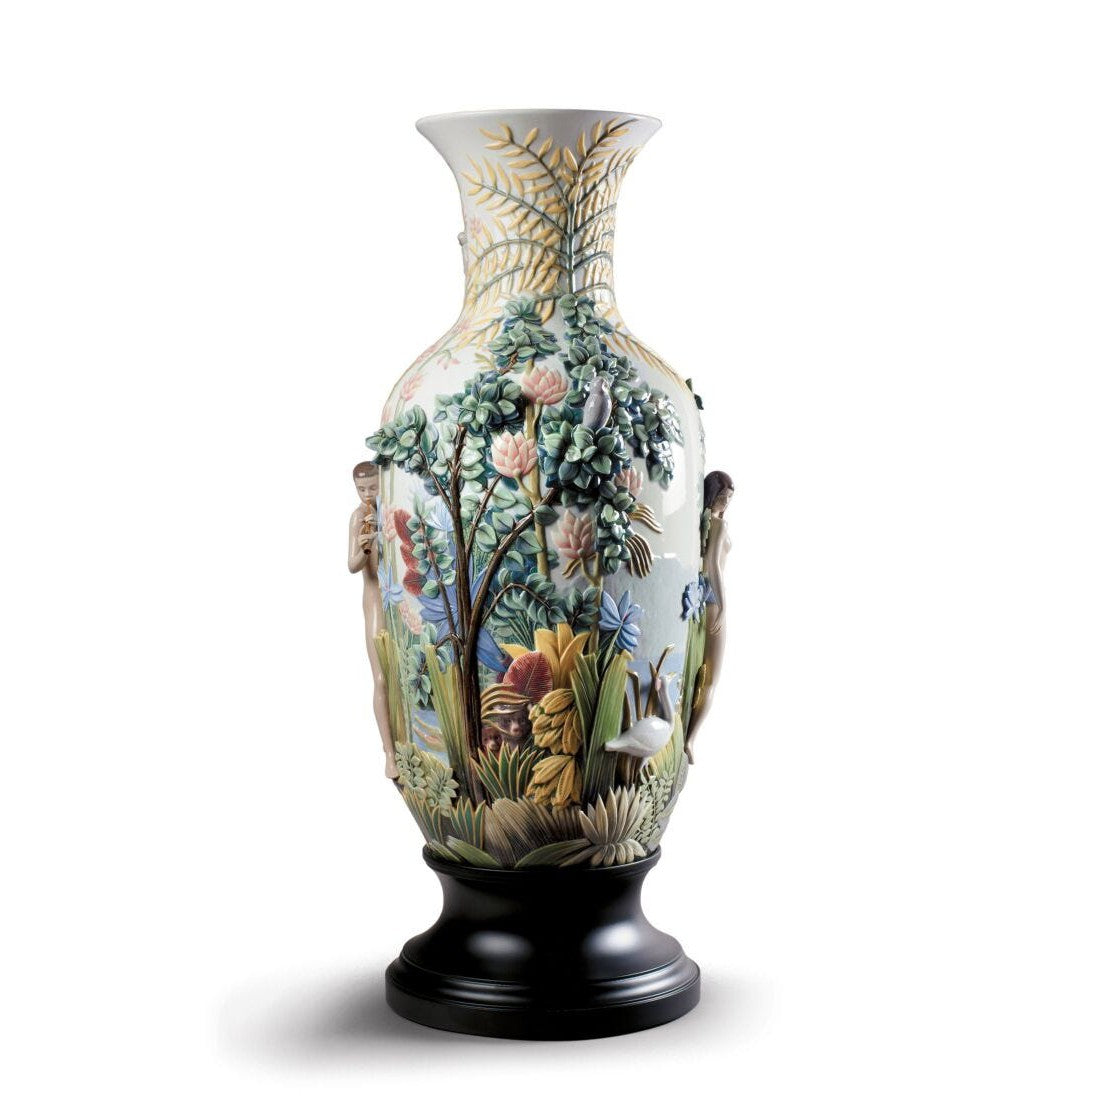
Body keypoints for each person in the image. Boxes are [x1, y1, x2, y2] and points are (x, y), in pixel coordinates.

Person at [348, 461, 398, 779]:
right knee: (381, 678)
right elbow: (352, 565)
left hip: (400, 599)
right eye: (361, 489)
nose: (367, 494)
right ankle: (389, 752)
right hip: (377, 598)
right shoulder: (358, 518)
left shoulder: (391, 511)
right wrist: (366, 547)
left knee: (403, 675)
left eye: (373, 487)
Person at [686, 470, 734, 762]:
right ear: (714, 496)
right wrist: (724, 605)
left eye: (729, 498)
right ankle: (690, 739)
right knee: (711, 676)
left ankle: (688, 735)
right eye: (724, 497)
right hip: (713, 596)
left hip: (698, 595)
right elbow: (713, 565)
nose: (727, 503)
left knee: (700, 669)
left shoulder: (700, 523)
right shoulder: (718, 524)